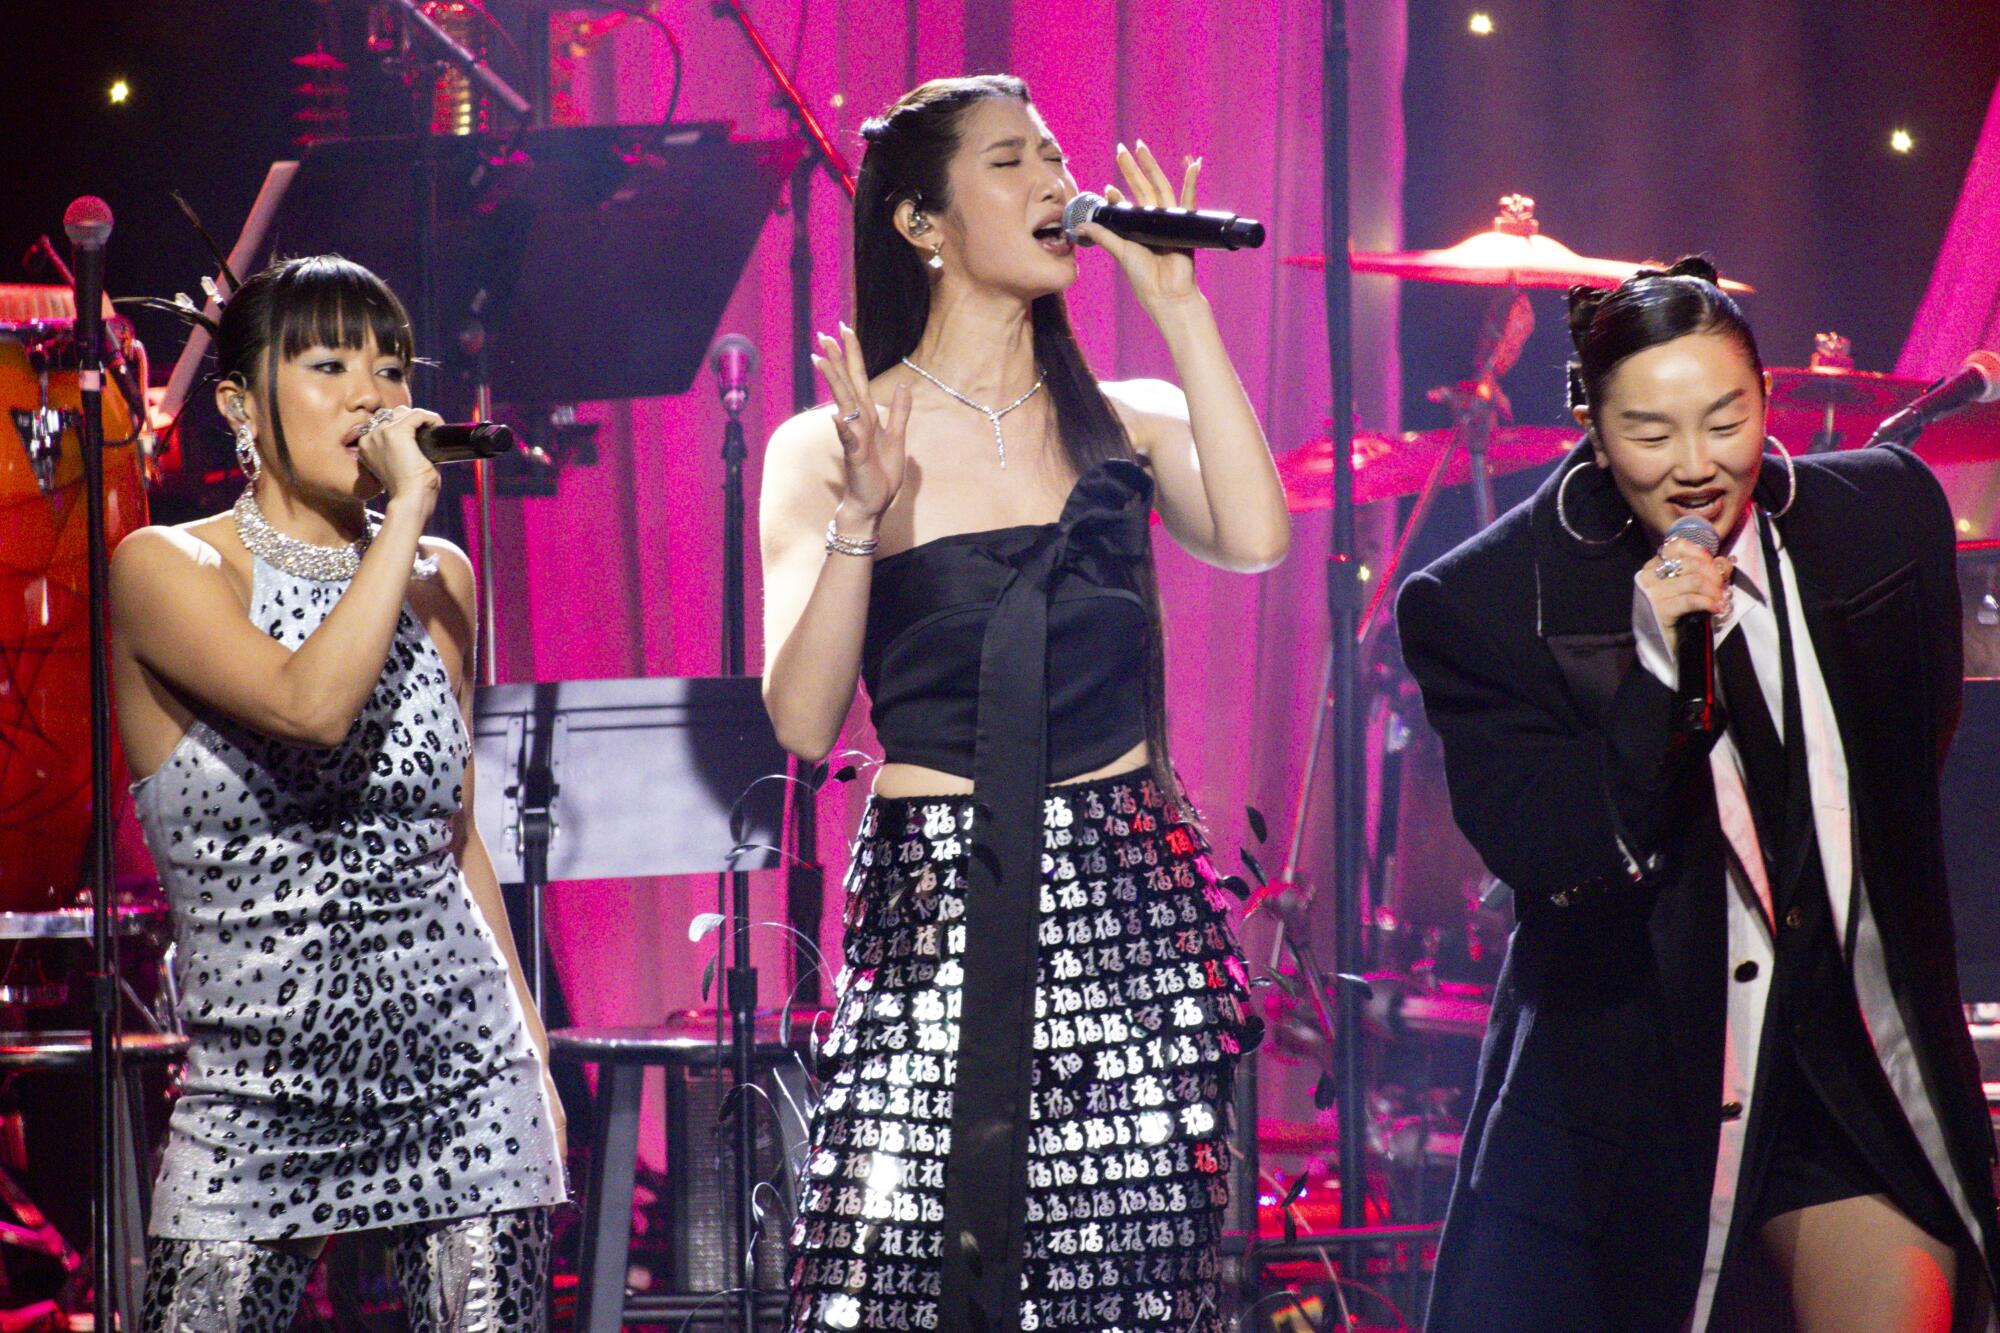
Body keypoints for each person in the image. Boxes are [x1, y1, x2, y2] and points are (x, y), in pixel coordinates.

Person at [759, 74, 1289, 1333]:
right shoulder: (828, 439)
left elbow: (1258, 538)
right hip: (937, 907)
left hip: (1129, 904)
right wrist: (857, 517)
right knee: (899, 1273)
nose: (1057, 182)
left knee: (1124, 1283)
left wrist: (1181, 311)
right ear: (919, 222)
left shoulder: (1130, 420)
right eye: (1011, 161)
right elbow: (800, 720)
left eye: (1053, 155)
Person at [1397, 257, 2000, 1332]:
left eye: (1722, 421)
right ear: (1589, 427)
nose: (1692, 467)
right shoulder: (1484, 600)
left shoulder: (1877, 518)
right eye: (1647, 432)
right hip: (1637, 1106)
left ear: (1765, 400)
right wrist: (1655, 675)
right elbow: (1560, 849)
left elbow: (1914, 757)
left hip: (1843, 1076)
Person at [111, 256, 566, 1333]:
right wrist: (405, 513)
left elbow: (454, 840)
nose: (374, 395)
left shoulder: (439, 577)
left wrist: (533, 1059)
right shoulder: (166, 567)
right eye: (329, 364)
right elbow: (308, 704)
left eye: (392, 367)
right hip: (252, 1100)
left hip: (466, 1083)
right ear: (239, 404)